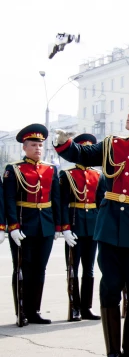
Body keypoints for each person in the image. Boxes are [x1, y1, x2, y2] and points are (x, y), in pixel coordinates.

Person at [54, 86, 129, 357]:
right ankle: (112, 355)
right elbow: (82, 153)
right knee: (109, 290)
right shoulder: (110, 144)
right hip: (108, 230)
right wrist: (64, 144)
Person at [4, 124, 61, 326]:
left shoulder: (50, 169)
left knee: (39, 270)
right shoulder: (14, 169)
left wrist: (59, 226)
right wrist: (13, 226)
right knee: (21, 268)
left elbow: (56, 200)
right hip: (24, 225)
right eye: (33, 145)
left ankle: (34, 310)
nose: (38, 148)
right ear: (24, 147)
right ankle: (21, 311)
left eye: (40, 145)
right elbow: (9, 199)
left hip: (45, 225)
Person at [59, 133, 106, 321]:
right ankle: (74, 307)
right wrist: (65, 227)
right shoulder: (67, 175)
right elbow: (62, 203)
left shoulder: (98, 176)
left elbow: (101, 203)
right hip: (75, 223)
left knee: (89, 269)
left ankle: (87, 306)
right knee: (73, 268)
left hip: (92, 226)